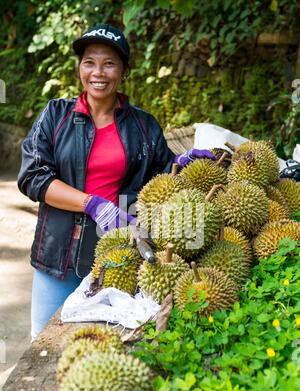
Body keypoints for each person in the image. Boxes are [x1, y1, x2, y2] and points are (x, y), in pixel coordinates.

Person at [18, 23, 215, 340]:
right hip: (57, 257)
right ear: (80, 68)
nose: (98, 72)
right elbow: (33, 177)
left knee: (100, 344)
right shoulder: (56, 115)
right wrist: (92, 204)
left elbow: (161, 177)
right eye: (89, 62)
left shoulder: (143, 125)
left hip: (119, 257)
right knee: (43, 343)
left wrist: (181, 163)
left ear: (123, 71)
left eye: (109, 63)